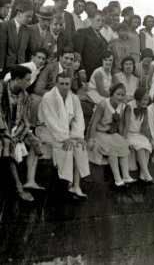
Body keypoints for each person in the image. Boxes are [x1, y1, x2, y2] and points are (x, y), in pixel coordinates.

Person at [37, 72, 90, 197]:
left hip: (64, 130)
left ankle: (76, 186)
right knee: (67, 147)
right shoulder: (48, 98)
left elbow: (78, 118)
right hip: (46, 130)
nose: (65, 87)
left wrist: (78, 136)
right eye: (62, 84)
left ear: (71, 84)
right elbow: (51, 122)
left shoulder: (74, 98)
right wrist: (65, 138)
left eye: (67, 84)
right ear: (56, 84)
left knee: (79, 146)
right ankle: (66, 183)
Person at [0, 66, 39, 201]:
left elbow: (25, 120)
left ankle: (30, 180)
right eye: (27, 80)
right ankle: (18, 187)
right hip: (2, 129)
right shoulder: (1, 89)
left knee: (35, 142)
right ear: (17, 79)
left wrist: (18, 136)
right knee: (7, 144)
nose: (29, 83)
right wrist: (7, 134)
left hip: (15, 130)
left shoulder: (25, 95)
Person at [87, 83, 135, 187]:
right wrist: (90, 139)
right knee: (112, 148)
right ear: (112, 94)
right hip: (99, 133)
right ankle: (117, 178)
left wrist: (122, 138)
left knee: (123, 144)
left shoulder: (122, 106)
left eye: (122, 95)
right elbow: (94, 123)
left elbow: (121, 123)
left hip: (111, 133)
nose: (120, 97)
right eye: (117, 94)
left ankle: (126, 175)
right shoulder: (103, 105)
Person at [30, 49, 75, 125]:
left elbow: (67, 88)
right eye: (66, 58)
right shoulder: (49, 68)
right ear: (60, 57)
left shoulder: (71, 71)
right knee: (38, 101)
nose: (69, 61)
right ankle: (32, 126)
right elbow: (38, 90)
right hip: (41, 94)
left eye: (71, 59)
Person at [126, 87, 154, 184]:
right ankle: (147, 174)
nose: (145, 102)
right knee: (140, 146)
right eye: (143, 99)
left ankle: (143, 176)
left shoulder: (145, 108)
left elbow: (145, 126)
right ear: (137, 98)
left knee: (147, 144)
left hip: (137, 134)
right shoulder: (129, 107)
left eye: (146, 100)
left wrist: (150, 140)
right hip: (129, 134)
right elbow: (125, 125)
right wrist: (123, 139)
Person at [0, 2, 34, 70]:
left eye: (31, 17)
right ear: (19, 14)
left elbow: (28, 52)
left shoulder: (28, 30)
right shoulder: (4, 26)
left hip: (20, 68)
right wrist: (0, 68)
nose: (30, 19)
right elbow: (2, 48)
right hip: (6, 67)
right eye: (28, 16)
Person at [73, 10, 107, 77]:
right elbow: (77, 52)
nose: (100, 23)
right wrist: (81, 70)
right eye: (98, 20)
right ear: (91, 19)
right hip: (85, 73)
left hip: (98, 75)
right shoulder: (82, 32)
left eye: (103, 21)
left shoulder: (104, 40)